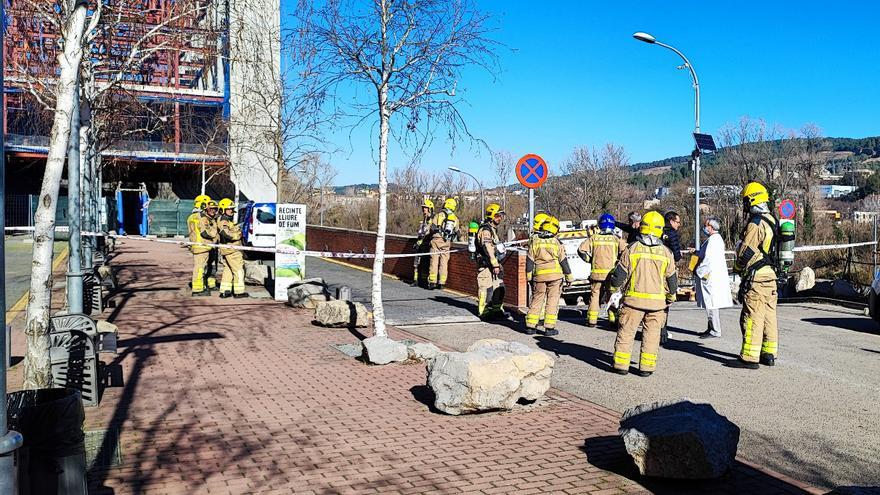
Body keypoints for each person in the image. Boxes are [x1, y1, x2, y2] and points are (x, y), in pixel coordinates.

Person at [607, 211, 677, 377]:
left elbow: (619, 276)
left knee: (626, 332)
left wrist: (613, 290)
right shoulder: (666, 252)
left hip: (633, 302)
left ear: (642, 227)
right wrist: (671, 296)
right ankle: (646, 367)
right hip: (657, 304)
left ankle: (621, 365)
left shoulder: (632, 248)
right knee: (652, 335)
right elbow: (672, 280)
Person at [730, 182, 779, 369]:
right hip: (771, 275)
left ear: (751, 200)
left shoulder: (756, 223)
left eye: (745, 201)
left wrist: (737, 267)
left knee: (753, 316)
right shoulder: (772, 220)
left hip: (756, 276)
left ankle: (750, 357)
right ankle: (769, 354)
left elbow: (746, 251)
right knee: (769, 316)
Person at [525, 216, 573, 336]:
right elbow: (563, 261)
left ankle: (530, 326)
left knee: (536, 300)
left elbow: (529, 261)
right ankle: (549, 328)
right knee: (552, 301)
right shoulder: (557, 243)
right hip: (555, 277)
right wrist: (569, 276)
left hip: (539, 276)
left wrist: (529, 277)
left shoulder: (535, 242)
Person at [578, 213, 626, 327]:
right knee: (612, 296)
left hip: (596, 274)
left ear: (600, 225)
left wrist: (590, 260)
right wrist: (619, 262)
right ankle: (613, 319)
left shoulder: (594, 238)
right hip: (611, 274)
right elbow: (626, 252)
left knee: (595, 295)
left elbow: (581, 250)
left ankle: (592, 320)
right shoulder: (616, 239)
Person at [694, 217, 732, 338]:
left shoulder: (714, 240)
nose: (704, 228)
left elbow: (708, 259)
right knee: (709, 303)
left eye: (706, 225)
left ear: (711, 227)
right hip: (711, 275)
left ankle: (715, 330)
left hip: (710, 276)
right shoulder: (714, 239)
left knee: (711, 304)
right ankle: (711, 327)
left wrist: (698, 271)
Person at [475, 203, 509, 320]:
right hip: (486, 265)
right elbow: (488, 248)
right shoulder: (485, 230)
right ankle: (484, 312)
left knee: (500, 287)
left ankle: (497, 310)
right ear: (491, 216)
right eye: (497, 216)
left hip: (494, 264)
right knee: (486, 289)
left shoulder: (493, 230)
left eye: (500, 216)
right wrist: (495, 264)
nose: (499, 218)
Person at [659, 210, 683, 346]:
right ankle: (662, 332)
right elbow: (677, 255)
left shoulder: (658, 231)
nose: (679, 225)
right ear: (672, 221)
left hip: (654, 270)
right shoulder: (672, 234)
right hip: (667, 270)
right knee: (665, 302)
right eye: (678, 222)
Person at [217, 198, 248, 299]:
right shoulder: (223, 220)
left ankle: (225, 291)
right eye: (229, 209)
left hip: (228, 250)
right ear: (223, 209)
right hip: (232, 250)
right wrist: (237, 236)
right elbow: (225, 233)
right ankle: (239, 292)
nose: (231, 210)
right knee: (239, 270)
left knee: (228, 270)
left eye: (232, 208)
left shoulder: (226, 220)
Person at [427, 198, 459, 289]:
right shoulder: (455, 218)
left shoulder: (439, 215)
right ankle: (442, 282)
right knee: (444, 263)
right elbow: (457, 232)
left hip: (437, 240)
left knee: (434, 261)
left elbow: (432, 228)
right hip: (446, 242)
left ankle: (432, 282)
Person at [190, 199, 219, 296]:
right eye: (211, 209)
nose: (213, 211)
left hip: (198, 245)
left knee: (200, 267)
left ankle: (200, 286)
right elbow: (205, 233)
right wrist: (214, 232)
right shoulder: (202, 218)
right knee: (200, 268)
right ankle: (198, 290)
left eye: (215, 209)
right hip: (202, 246)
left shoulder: (192, 217)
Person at [412, 198, 435, 287]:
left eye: (425, 208)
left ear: (430, 209)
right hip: (420, 243)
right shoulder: (424, 219)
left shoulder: (431, 219)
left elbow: (426, 232)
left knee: (425, 263)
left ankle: (423, 281)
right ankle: (415, 280)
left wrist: (420, 242)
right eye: (423, 208)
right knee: (416, 263)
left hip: (425, 243)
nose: (423, 209)